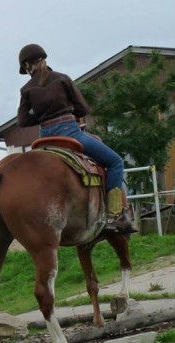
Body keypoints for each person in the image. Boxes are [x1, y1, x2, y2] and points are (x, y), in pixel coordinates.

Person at [17, 43, 132, 232]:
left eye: (25, 68)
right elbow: (82, 109)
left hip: (44, 138)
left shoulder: (26, 90)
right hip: (70, 132)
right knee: (115, 162)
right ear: (43, 59)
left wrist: (40, 115)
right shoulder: (62, 79)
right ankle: (114, 216)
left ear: (28, 66)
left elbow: (22, 120)